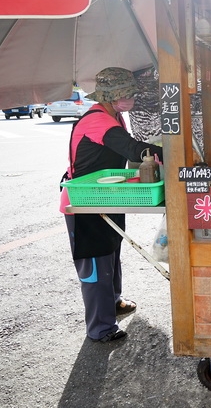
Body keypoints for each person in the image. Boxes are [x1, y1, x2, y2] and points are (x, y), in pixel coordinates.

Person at [59, 67, 163, 343]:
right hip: (83, 201)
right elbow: (130, 148)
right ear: (113, 96)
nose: (131, 99)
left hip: (106, 195)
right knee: (95, 264)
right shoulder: (97, 120)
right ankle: (100, 328)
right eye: (128, 94)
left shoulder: (113, 115)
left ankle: (113, 303)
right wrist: (166, 154)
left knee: (111, 253)